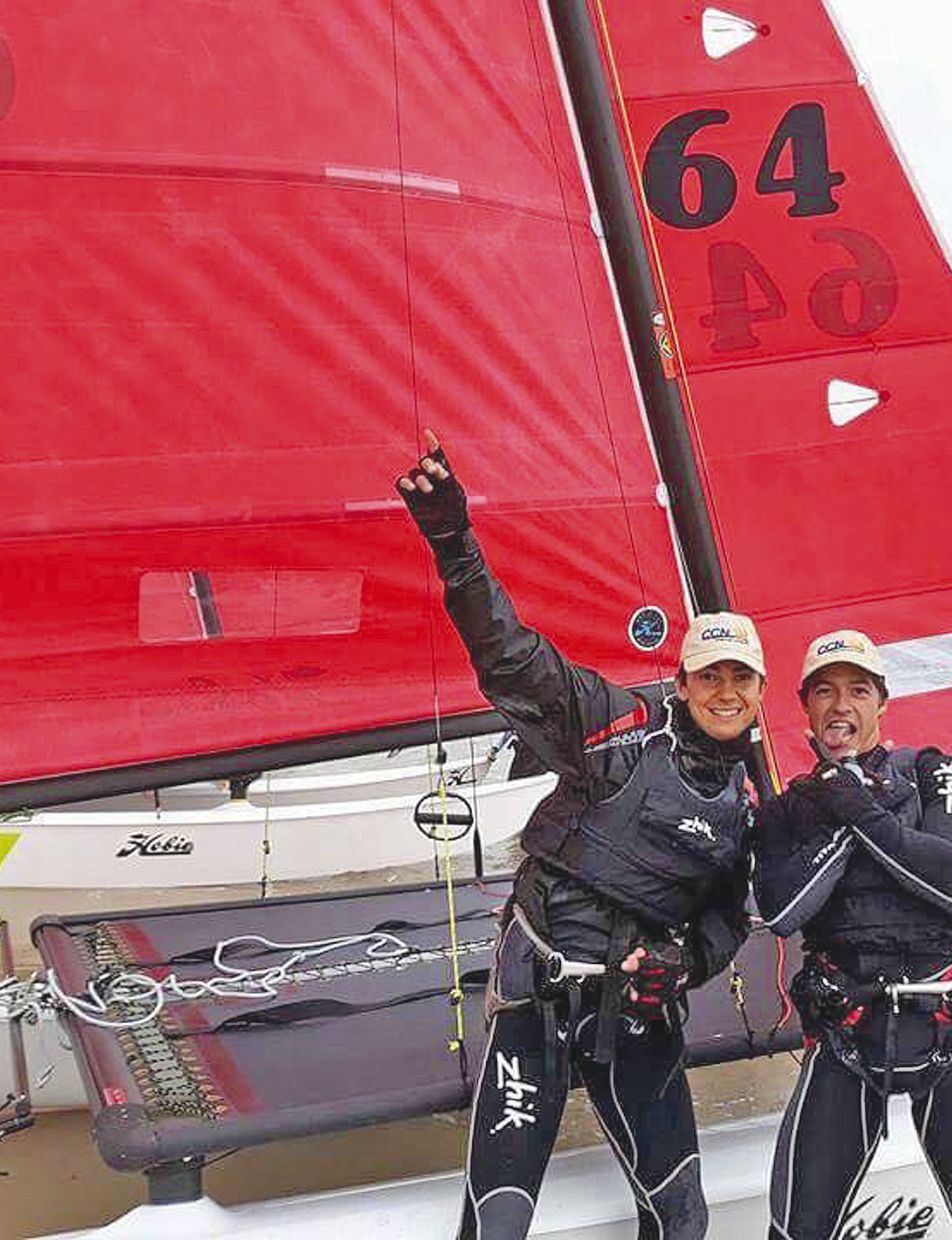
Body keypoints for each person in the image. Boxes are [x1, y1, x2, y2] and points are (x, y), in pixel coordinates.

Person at [396, 431, 763, 1240]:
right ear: (682, 682)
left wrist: (684, 965)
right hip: (537, 998)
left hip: (636, 1013)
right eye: (710, 676)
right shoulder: (615, 727)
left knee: (681, 1220)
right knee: (495, 1224)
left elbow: (727, 918)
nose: (725, 691)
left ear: (760, 692)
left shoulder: (747, 804)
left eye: (741, 679)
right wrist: (453, 540)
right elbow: (510, 657)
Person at [754, 630, 952, 1240]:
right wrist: (839, 799)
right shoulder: (787, 809)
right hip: (847, 1036)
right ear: (805, 706)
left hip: (948, 1030)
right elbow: (782, 911)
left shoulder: (938, 773)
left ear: (882, 703)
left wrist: (858, 807)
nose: (841, 705)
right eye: (825, 691)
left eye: (859, 690)